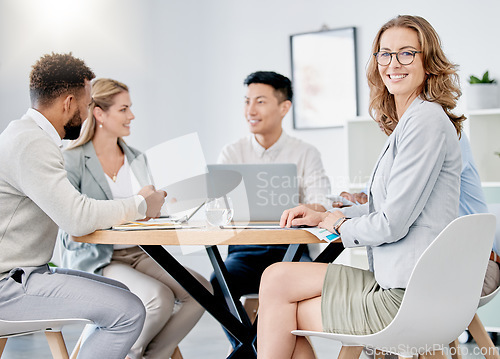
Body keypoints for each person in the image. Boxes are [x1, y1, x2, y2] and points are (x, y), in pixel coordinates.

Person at [256, 15, 465, 358]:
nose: (393, 63)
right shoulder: (414, 120)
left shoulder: (425, 122)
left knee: (280, 306)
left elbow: (391, 223)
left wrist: (337, 224)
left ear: (428, 62)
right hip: (405, 283)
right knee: (277, 278)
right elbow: (389, 205)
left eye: (406, 53)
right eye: (385, 54)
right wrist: (328, 212)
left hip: (407, 297)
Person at [0, 53, 166, 359]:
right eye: (86, 105)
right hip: (8, 286)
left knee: (123, 295)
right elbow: (76, 217)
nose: (88, 114)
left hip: (27, 273)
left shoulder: (25, 135)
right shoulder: (31, 143)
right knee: (128, 311)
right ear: (67, 103)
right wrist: (141, 204)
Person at [58, 78, 210, 358]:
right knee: (158, 298)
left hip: (140, 253)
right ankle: (129, 353)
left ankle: (150, 355)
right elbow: (72, 219)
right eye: (124, 109)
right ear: (100, 113)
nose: (132, 116)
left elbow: (147, 211)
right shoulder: (72, 160)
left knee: (201, 290)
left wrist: (169, 206)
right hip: (97, 258)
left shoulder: (138, 159)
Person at [212, 71, 331, 347]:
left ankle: (255, 351)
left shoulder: (306, 153)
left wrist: (300, 210)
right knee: (218, 284)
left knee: (301, 287)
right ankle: (249, 351)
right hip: (244, 253)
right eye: (246, 101)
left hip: (291, 252)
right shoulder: (232, 153)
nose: (250, 110)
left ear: (284, 107)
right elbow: (218, 209)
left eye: (260, 101)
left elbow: (321, 203)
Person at [333, 135, 500, 296]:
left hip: (475, 267)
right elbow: (377, 198)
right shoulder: (406, 140)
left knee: (342, 292)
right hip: (444, 265)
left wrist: (341, 221)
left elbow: (395, 205)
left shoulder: (437, 133)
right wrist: (350, 204)